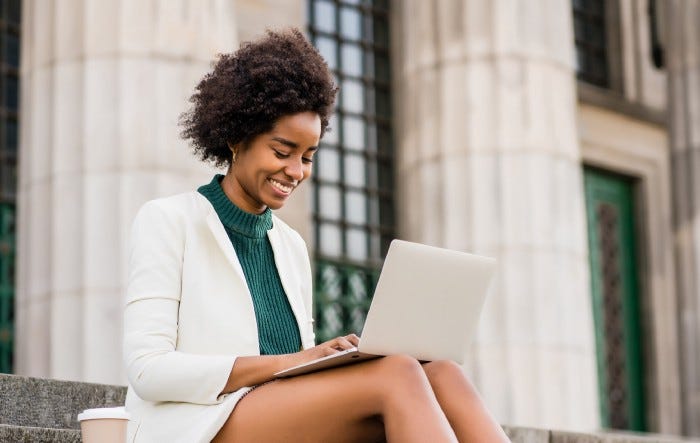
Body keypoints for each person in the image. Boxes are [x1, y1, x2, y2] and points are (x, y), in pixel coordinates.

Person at [123, 28, 511, 443]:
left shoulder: (289, 245)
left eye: (307, 157)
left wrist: (331, 360)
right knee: (397, 373)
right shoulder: (169, 220)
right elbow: (149, 370)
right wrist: (289, 362)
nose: (295, 171)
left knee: (442, 372)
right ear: (236, 139)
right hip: (201, 423)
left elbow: (298, 373)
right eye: (281, 151)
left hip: (279, 414)